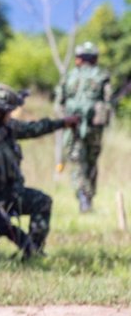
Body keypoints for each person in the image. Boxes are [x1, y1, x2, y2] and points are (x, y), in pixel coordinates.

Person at [0, 83, 79, 257]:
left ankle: (34, 251)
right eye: (8, 111)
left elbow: (34, 128)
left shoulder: (8, 128)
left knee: (42, 201)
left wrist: (63, 123)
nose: (11, 115)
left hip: (10, 194)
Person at [56, 41, 112, 212]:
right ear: (95, 59)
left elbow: (59, 103)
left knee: (77, 162)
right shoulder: (102, 76)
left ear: (78, 59)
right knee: (91, 162)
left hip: (73, 125)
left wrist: (64, 121)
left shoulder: (69, 76)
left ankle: (83, 197)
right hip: (94, 127)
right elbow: (108, 101)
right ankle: (87, 198)